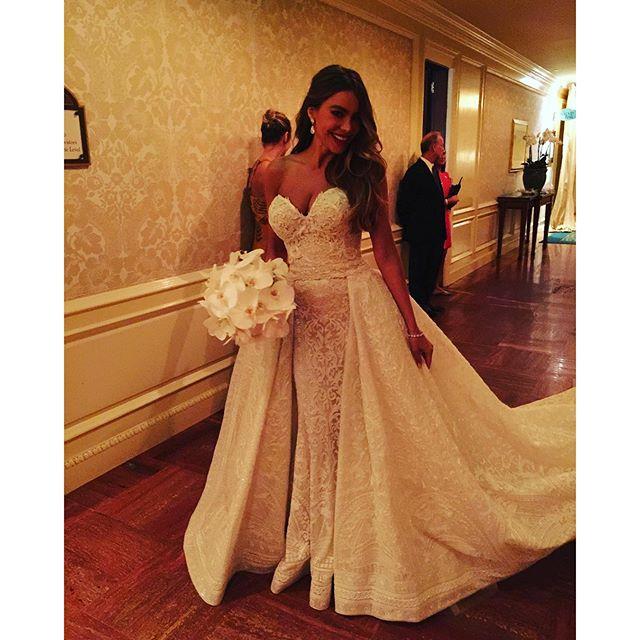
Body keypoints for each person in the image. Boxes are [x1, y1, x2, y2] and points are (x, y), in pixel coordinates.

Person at [184, 65, 575, 623]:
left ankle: (341, 544)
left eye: (354, 116)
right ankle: (308, 537)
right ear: (312, 110)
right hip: (296, 319)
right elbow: (273, 249)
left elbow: (387, 254)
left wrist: (412, 326)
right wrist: (257, 295)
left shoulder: (364, 172)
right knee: (309, 425)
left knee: (348, 424)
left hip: (352, 311)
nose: (346, 126)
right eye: (337, 113)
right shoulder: (272, 174)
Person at [396, 131, 458, 317]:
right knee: (419, 274)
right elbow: (405, 205)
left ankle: (426, 305)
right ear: (433, 147)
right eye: (441, 145)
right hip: (422, 235)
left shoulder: (433, 171)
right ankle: (419, 310)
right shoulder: (416, 172)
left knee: (430, 273)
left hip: (434, 234)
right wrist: (416, 229)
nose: (443, 149)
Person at [246, 109, 291, 251]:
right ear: (286, 137)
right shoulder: (270, 169)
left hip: (259, 246)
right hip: (272, 250)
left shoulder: (257, 165)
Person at [433, 153, 454, 295]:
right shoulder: (433, 176)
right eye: (441, 153)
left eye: (445, 154)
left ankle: (436, 283)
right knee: (437, 251)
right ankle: (432, 284)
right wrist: (447, 201)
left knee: (444, 250)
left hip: (446, 215)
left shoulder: (446, 175)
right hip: (437, 216)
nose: (443, 156)